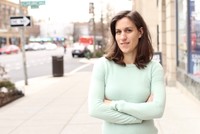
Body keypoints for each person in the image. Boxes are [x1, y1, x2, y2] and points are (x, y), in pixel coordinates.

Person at [88, 10, 166, 134]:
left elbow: (157, 110)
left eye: (128, 30)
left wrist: (116, 104)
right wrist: (139, 117)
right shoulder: (103, 65)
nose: (123, 37)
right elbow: (95, 109)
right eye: (118, 32)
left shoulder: (154, 68)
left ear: (140, 32)